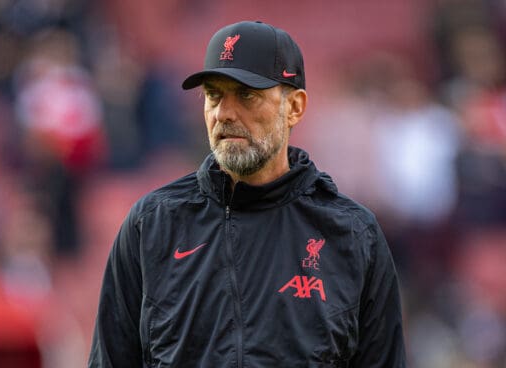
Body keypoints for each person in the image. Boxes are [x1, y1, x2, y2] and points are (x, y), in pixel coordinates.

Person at [88, 21, 406, 367]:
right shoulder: (152, 225)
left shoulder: (352, 235)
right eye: (214, 95)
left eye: (246, 95)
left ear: (295, 107)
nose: (224, 113)